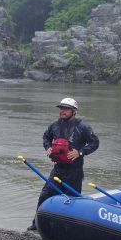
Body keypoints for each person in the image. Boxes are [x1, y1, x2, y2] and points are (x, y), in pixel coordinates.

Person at [28, 97, 99, 231]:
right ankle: (36, 224)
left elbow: (95, 143)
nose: (62, 111)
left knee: (70, 201)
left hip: (74, 171)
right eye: (61, 108)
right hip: (57, 169)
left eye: (66, 109)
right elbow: (46, 137)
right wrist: (48, 147)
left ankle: (68, 229)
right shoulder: (54, 125)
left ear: (74, 111)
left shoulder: (82, 127)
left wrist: (81, 152)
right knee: (44, 195)